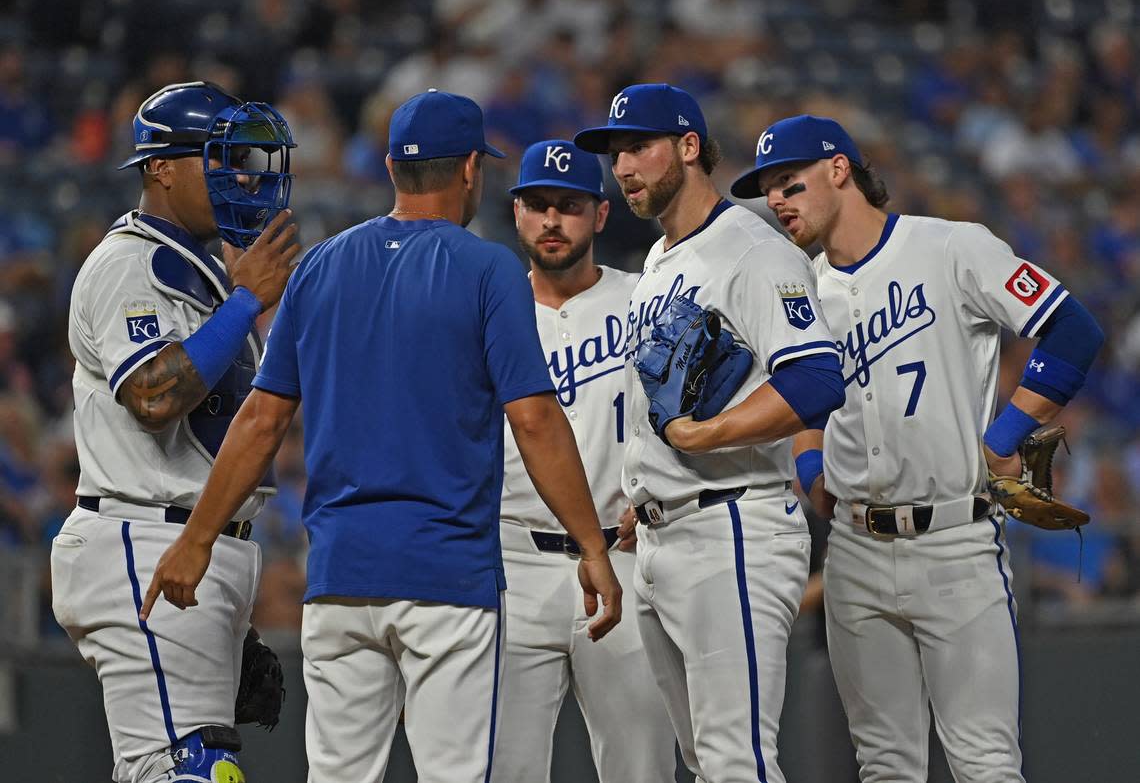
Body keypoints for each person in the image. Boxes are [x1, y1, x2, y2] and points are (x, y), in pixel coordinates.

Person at [140, 89, 623, 783]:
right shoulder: (488, 269)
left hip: (340, 578)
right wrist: (591, 546)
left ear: (393, 167)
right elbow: (536, 420)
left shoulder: (321, 267)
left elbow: (262, 419)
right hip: (447, 577)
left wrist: (195, 540)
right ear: (468, 172)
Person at [731, 114, 1105, 782]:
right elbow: (803, 397)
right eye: (770, 192)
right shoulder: (801, 290)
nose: (778, 201)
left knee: (985, 763)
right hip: (854, 551)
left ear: (839, 169)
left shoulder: (953, 248)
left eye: (790, 183)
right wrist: (812, 463)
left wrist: (1005, 437)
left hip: (955, 542)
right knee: (884, 768)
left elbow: (1072, 331)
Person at [573, 83, 846, 783]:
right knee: (704, 760)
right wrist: (647, 486)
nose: (624, 165)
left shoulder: (752, 248)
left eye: (640, 147)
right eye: (616, 152)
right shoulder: (657, 267)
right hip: (666, 535)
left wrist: (711, 433)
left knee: (735, 761)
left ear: (690, 147)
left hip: (735, 529)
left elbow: (817, 381)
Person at [50, 81, 298, 783]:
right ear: (160, 167)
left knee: (166, 768)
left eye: (242, 160)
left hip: (184, 541)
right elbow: (154, 396)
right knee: (187, 770)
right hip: (146, 537)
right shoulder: (129, 262)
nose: (240, 176)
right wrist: (249, 298)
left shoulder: (201, 269)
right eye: (217, 159)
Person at [493, 139, 676, 783]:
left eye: (569, 206)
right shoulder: (489, 309)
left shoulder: (647, 300)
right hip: (511, 560)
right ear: (517, 212)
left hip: (624, 555)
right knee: (503, 771)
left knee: (642, 769)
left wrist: (658, 494)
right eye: (538, 204)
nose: (552, 221)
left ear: (600, 216)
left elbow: (687, 415)